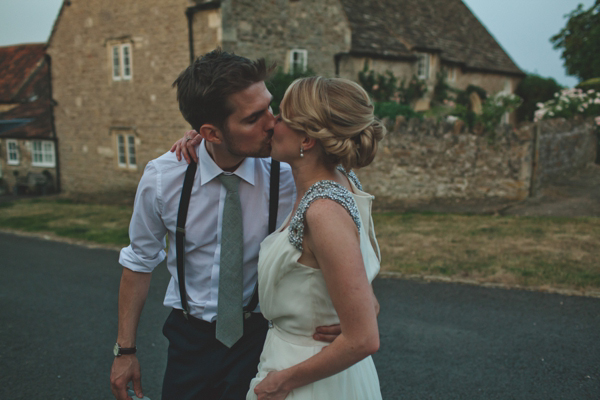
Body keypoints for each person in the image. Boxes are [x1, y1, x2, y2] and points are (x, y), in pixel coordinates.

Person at [109, 49, 341, 400]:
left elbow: (352, 216)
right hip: (190, 341)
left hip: (265, 336)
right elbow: (139, 262)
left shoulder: (294, 169)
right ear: (210, 133)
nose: (272, 123)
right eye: (252, 118)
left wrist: (363, 303)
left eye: (269, 107)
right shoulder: (164, 179)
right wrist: (125, 351)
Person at [245, 76, 386, 399]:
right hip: (311, 364)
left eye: (281, 116)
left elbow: (364, 339)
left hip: (310, 378)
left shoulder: (322, 212)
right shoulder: (344, 179)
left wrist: (280, 382)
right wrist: (368, 303)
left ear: (306, 139)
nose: (271, 124)